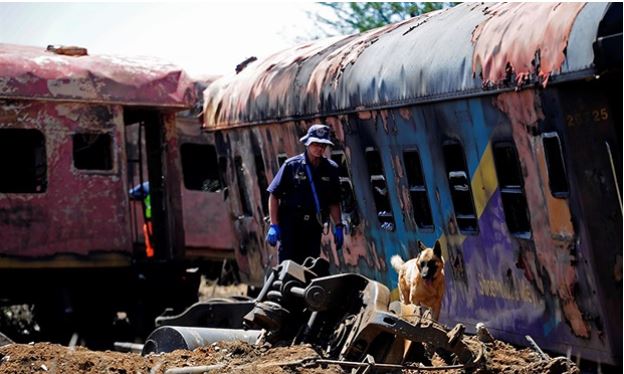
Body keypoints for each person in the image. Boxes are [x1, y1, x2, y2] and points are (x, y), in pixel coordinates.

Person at [265, 124, 344, 264]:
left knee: (310, 265)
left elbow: (333, 201)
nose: (319, 148)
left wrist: (338, 225)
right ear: (307, 143)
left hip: (313, 226)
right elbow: (274, 195)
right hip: (290, 226)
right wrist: (274, 225)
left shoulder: (331, 169)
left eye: (323, 145)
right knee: (287, 266)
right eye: (315, 144)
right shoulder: (292, 166)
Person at [129, 181, 154, 258]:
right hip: (152, 219)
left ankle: (151, 256)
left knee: (150, 241)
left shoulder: (146, 186)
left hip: (150, 219)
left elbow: (131, 193)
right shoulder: (147, 186)